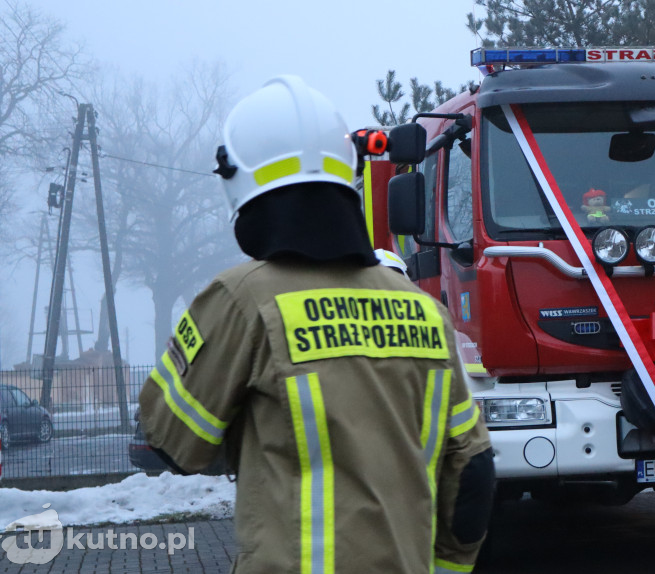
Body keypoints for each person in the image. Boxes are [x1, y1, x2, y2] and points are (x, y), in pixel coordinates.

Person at [138, 75, 494, 574]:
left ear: (238, 179)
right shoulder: (424, 310)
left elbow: (174, 442)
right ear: (346, 172)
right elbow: (473, 472)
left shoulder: (241, 300)